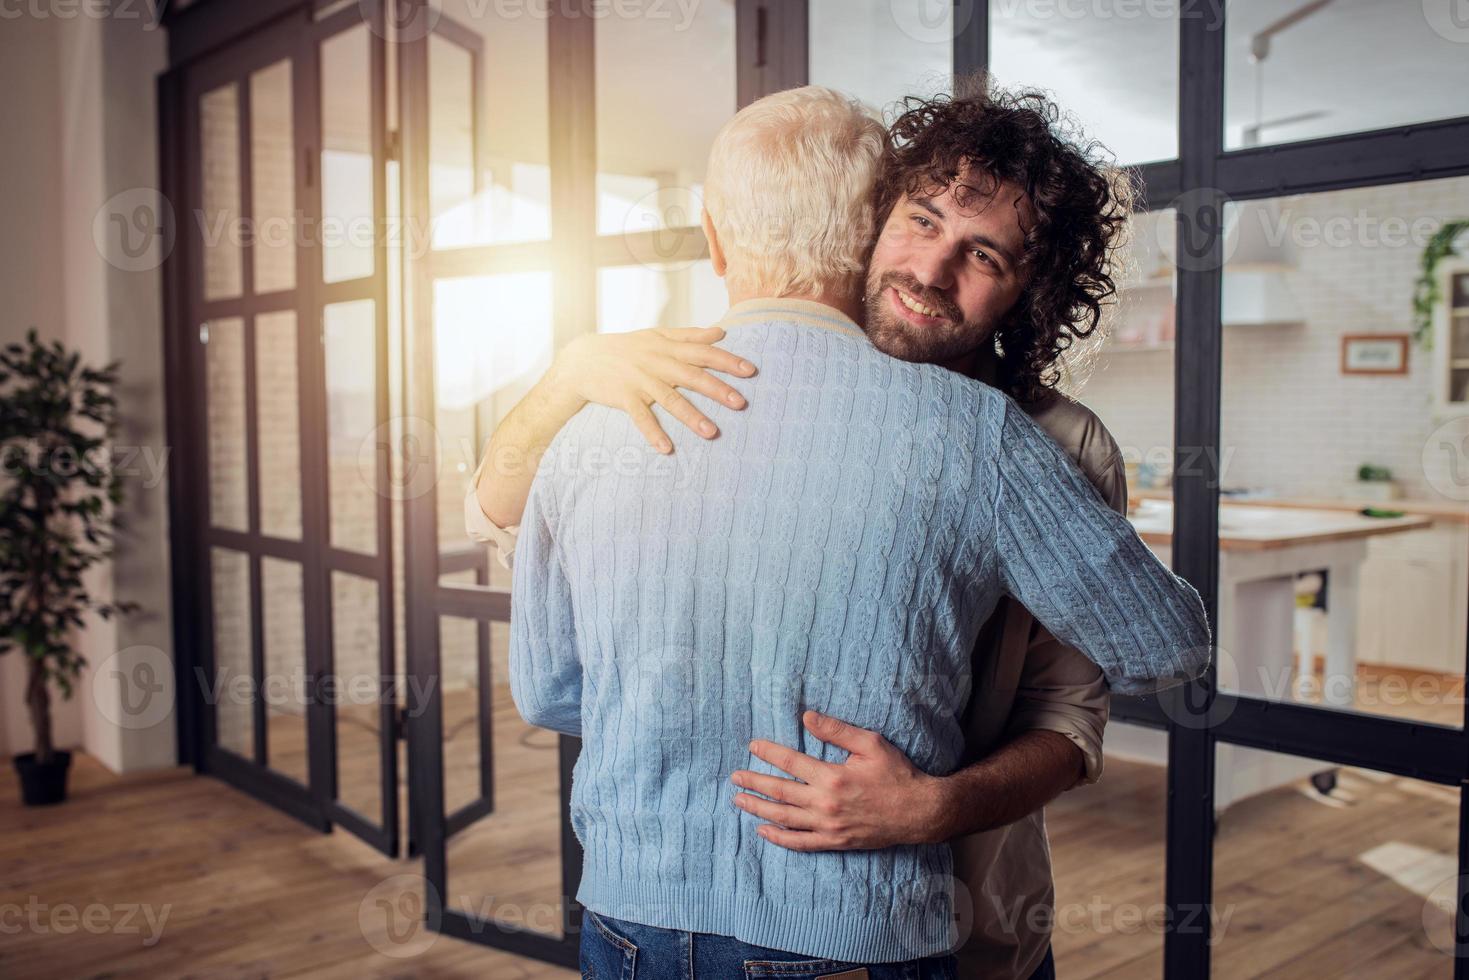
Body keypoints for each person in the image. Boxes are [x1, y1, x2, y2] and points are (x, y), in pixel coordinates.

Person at [474, 84, 1209, 978]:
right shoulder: (662, 378)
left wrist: (933, 808)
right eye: (921, 220)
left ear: (1030, 292)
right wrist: (567, 376)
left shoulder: (1047, 441)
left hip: (960, 911)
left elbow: (1076, 710)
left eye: (984, 255)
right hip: (788, 924)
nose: (931, 273)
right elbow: (504, 505)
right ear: (867, 222)